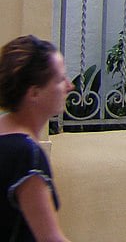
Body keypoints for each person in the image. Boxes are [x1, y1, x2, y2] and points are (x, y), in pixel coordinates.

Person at [0, 36, 73, 242]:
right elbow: (50, 238)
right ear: (34, 93)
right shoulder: (25, 154)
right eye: (60, 80)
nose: (69, 86)